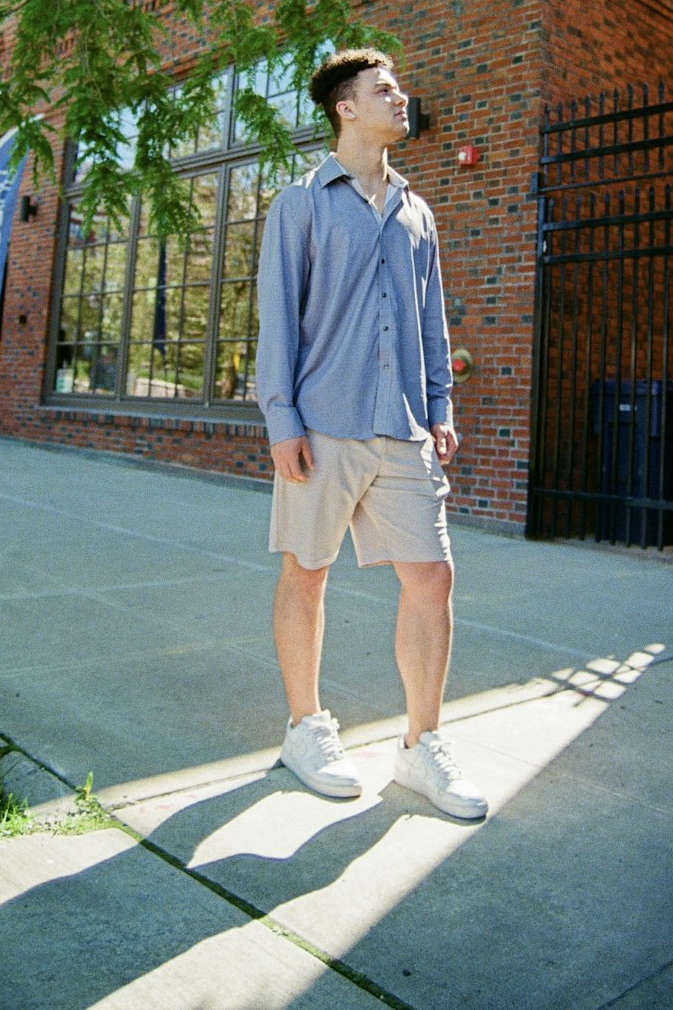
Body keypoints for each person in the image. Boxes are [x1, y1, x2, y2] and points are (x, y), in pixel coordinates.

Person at [256, 47, 487, 821]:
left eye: (400, 87)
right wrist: (281, 418)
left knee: (433, 578)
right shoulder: (301, 203)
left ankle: (421, 748)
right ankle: (305, 727)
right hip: (323, 424)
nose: (401, 97)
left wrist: (440, 405)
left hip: (404, 429)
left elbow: (431, 318)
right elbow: (278, 320)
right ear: (345, 108)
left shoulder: (418, 211)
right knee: (307, 572)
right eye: (384, 89)